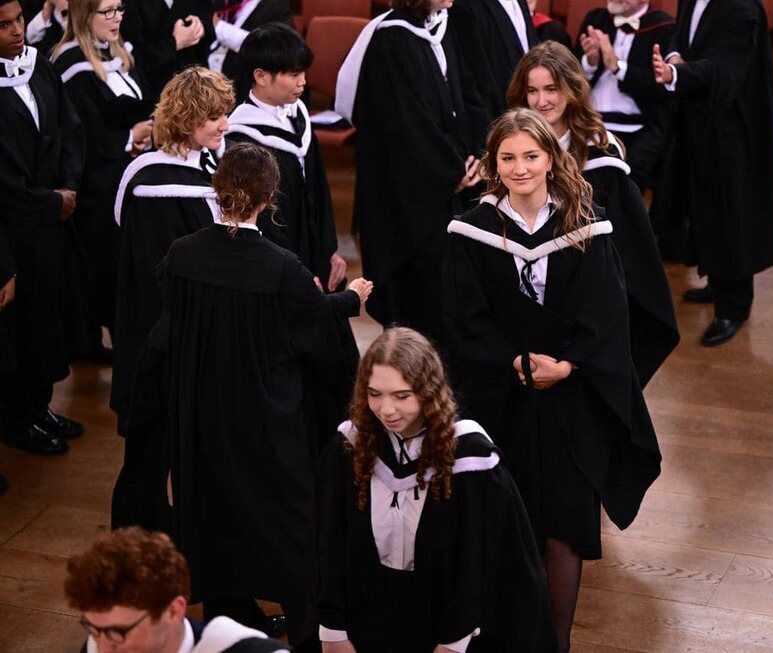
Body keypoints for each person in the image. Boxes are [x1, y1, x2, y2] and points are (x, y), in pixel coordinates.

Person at [136, 143, 372, 651]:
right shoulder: (282, 267)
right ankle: (305, 634)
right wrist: (351, 299)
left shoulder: (182, 255)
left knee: (215, 519)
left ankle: (229, 629)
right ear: (271, 196)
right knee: (289, 528)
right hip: (268, 424)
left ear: (217, 192)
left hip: (201, 418)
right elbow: (311, 332)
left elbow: (167, 333)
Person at [442, 108, 662, 652]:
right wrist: (513, 362)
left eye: (531, 156)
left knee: (565, 527)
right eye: (508, 158)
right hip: (502, 396)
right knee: (504, 522)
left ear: (552, 159)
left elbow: (608, 313)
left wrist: (567, 365)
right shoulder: (473, 229)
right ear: (493, 164)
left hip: (571, 399)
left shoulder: (588, 224)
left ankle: (555, 645)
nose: (520, 168)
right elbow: (463, 317)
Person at [316, 327, 556, 652]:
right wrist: (333, 629)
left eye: (402, 396)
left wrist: (455, 639)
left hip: (446, 624)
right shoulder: (350, 448)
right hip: (366, 620)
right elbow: (327, 543)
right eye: (374, 393)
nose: (387, 409)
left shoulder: (470, 460)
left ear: (428, 391)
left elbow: (483, 562)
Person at [507, 41, 678, 386]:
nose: (541, 102)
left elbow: (625, 254)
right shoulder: (510, 150)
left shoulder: (601, 158)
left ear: (571, 88)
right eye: (532, 91)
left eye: (552, 89)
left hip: (586, 309)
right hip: (526, 306)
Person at [110, 66, 233, 531]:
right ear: (186, 119)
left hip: (156, 324)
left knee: (152, 442)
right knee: (155, 442)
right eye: (214, 117)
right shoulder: (166, 184)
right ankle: (139, 539)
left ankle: (152, 527)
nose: (225, 124)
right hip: (166, 328)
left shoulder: (161, 169)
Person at [226, 24, 357, 444]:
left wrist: (332, 250)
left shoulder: (297, 115)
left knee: (336, 362)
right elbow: (259, 218)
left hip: (315, 257)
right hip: (281, 269)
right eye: (292, 74)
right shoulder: (242, 137)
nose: (303, 82)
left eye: (304, 71)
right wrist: (298, 272)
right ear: (261, 76)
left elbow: (317, 188)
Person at [334, 0, 489, 340]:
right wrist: (452, 170)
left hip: (454, 182)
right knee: (423, 298)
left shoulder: (443, 28)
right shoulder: (391, 40)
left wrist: (479, 153)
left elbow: (469, 93)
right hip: (415, 194)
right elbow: (404, 124)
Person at [652, 0, 773, 346]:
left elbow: (726, 70)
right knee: (704, 207)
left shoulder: (741, 9)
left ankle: (733, 308)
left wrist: (678, 73)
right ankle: (717, 279)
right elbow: (681, 40)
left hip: (734, 134)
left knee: (732, 214)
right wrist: (673, 58)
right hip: (700, 126)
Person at [0, 0, 87, 456]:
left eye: (18, 20)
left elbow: (70, 130)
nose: (17, 31)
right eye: (4, 24)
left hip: (53, 220)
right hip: (14, 230)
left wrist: (68, 188)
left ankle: (37, 405)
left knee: (48, 317)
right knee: (22, 325)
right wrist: (49, 201)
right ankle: (16, 417)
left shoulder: (37, 67)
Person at [51, 0, 154, 360]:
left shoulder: (120, 53)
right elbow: (79, 133)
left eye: (120, 9)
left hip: (127, 172)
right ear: (83, 14)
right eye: (107, 12)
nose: (117, 18)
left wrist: (143, 134)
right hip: (95, 182)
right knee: (98, 265)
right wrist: (129, 136)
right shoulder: (69, 63)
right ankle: (90, 342)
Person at [65, 527, 292, 652]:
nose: (104, 648)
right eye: (93, 629)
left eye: (120, 632)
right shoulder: (104, 639)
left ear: (174, 610)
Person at [575, 0, 675, 194]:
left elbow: (661, 89)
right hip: (591, 124)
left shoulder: (664, 27)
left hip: (640, 128)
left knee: (626, 190)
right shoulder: (596, 19)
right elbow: (570, 75)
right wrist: (590, 61)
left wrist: (617, 67)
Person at [449, 0, 537, 118]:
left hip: (529, 116)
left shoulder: (520, 2)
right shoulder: (466, 6)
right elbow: (478, 79)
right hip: (499, 120)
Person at [119, 0, 208, 103]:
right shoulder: (130, 6)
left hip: (196, 80)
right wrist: (175, 42)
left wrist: (199, 29)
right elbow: (134, 56)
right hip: (157, 90)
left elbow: (210, 17)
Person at [207, 0, 292, 86]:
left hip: (242, 85)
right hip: (208, 79)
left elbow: (269, 45)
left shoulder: (277, 6)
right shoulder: (220, 3)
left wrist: (218, 26)